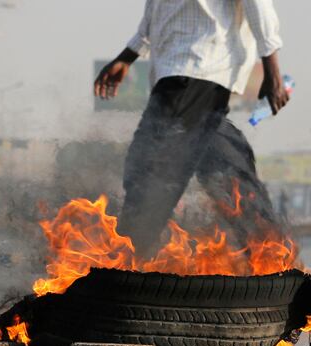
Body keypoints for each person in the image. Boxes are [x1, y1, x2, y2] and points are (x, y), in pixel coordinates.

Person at [94, 0, 289, 258]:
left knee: (150, 169)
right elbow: (159, 11)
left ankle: (126, 259)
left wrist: (272, 72)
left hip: (195, 68)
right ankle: (269, 253)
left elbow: (257, 4)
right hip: (182, 72)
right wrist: (127, 55)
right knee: (224, 164)